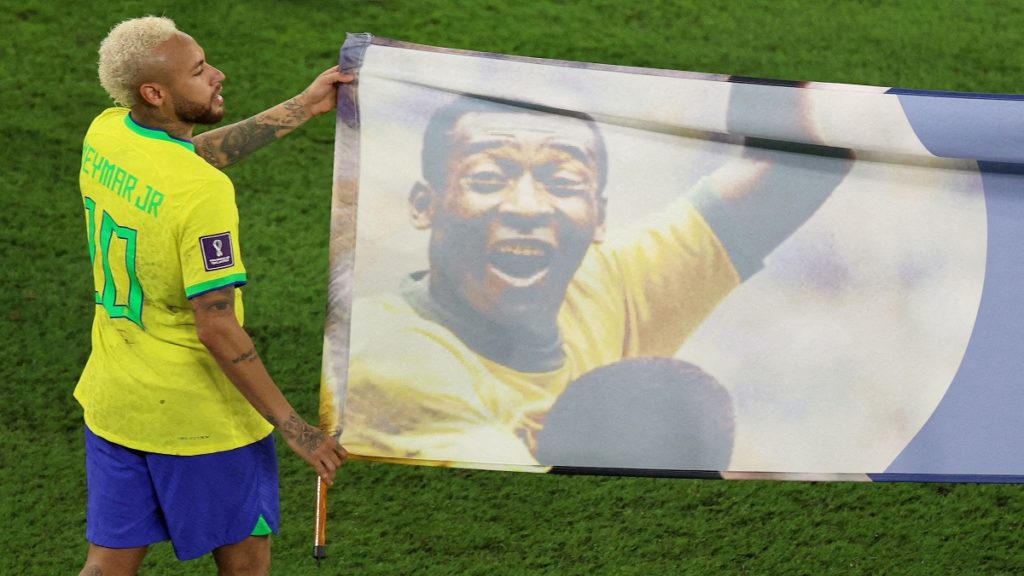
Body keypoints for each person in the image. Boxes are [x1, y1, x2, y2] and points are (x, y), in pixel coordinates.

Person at [334, 84, 852, 468]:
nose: (527, 206)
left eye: (562, 182)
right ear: (425, 205)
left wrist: (761, 58)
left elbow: (792, 173)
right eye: (489, 178)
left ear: (599, 217)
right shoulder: (387, 359)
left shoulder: (605, 285)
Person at [76, 16, 349, 575]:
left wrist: (302, 107)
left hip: (117, 401)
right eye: (199, 71)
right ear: (155, 92)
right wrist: (294, 428)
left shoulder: (107, 133)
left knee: (106, 565)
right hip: (201, 419)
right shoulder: (203, 195)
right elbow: (216, 326)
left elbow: (182, 159)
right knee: (245, 565)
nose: (217, 74)